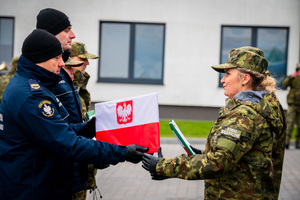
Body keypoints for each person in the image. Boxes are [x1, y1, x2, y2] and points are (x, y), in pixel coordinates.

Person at [0, 29, 148, 200]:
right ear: (39, 60)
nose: (62, 64)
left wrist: (85, 129)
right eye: (56, 58)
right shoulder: (32, 96)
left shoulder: (30, 85)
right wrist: (123, 152)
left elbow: (52, 133)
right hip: (31, 190)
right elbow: (67, 144)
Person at [142, 46, 286, 199]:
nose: (222, 79)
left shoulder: (245, 114)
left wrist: (162, 166)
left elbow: (217, 163)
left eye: (228, 74)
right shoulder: (263, 107)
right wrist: (204, 154)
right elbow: (242, 155)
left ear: (245, 79)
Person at [36, 8, 96, 198]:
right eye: (67, 30)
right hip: (56, 179)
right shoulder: (44, 78)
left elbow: (70, 127)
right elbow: (57, 135)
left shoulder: (61, 75)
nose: (73, 35)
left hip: (73, 172)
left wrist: (89, 130)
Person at [69, 41, 100, 198]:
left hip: (81, 172)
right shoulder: (65, 90)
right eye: (82, 58)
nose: (87, 63)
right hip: (68, 176)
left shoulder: (80, 89)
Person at [282, 62, 300, 149]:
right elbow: (284, 84)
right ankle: (287, 142)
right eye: (298, 69)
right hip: (292, 105)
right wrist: (291, 77)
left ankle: (297, 143)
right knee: (290, 124)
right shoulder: (292, 78)